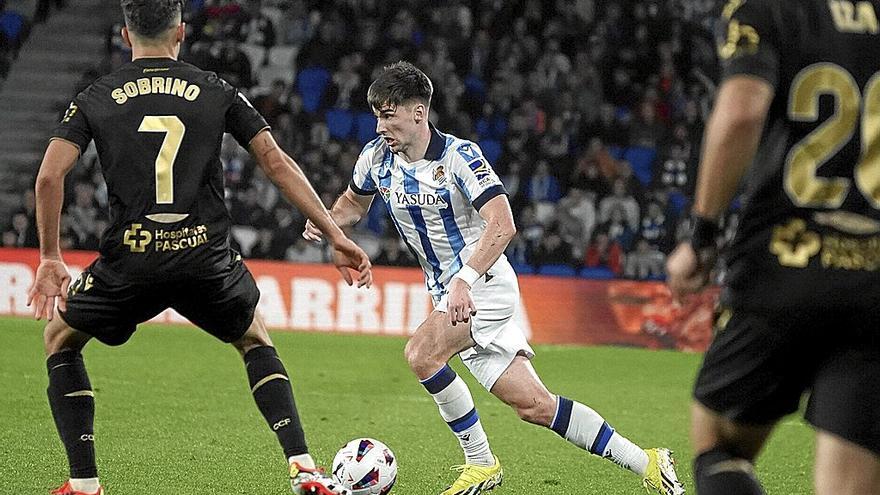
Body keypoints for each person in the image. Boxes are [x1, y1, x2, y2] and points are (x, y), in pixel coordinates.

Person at [28, 2, 370, 494]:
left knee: (61, 339)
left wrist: (49, 257)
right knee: (255, 339)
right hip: (204, 259)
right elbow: (275, 163)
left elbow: (48, 177)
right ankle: (303, 466)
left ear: (126, 35)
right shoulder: (216, 90)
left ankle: (84, 483)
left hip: (131, 260)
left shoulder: (95, 97)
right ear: (182, 33)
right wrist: (335, 235)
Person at [304, 61, 684, 495]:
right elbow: (355, 203)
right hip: (451, 292)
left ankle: (481, 463)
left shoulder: (459, 157)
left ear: (418, 113)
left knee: (421, 355)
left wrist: (464, 280)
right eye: (376, 115)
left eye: (388, 115)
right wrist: (327, 222)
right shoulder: (375, 157)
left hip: (482, 283)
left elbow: (502, 224)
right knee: (536, 407)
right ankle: (648, 462)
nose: (380, 125)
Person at [666, 1, 880, 494]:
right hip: (874, 281)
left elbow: (742, 110)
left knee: (722, 446)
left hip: (785, 263)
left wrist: (702, 234)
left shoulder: (765, 7)